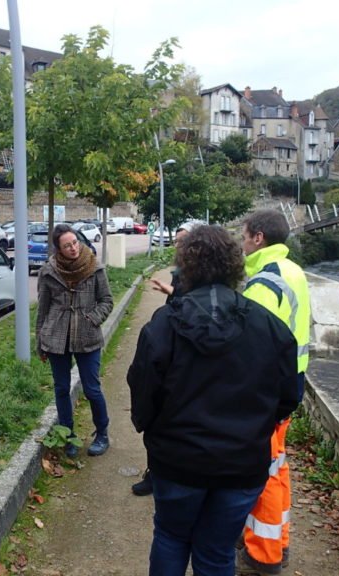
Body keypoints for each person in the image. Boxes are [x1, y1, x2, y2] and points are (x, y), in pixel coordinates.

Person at [127, 225, 299, 576]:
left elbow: (143, 391)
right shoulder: (268, 325)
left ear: (187, 265)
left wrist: (153, 431)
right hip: (242, 463)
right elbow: (288, 396)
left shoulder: (165, 324)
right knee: (216, 550)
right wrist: (253, 428)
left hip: (178, 460)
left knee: (172, 537)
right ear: (235, 264)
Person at [237, 209, 311, 575]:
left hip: (268, 388)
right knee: (277, 463)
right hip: (291, 382)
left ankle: (263, 554)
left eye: (244, 235)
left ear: (259, 238)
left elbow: (253, 346)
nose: (242, 241)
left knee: (262, 468)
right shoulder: (293, 271)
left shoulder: (265, 282)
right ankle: (279, 538)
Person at [36, 224, 113, 457]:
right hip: (56, 337)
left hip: (87, 336)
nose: (73, 248)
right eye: (67, 245)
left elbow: (107, 300)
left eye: (75, 243)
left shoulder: (95, 267)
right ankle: (68, 436)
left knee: (92, 389)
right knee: (61, 389)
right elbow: (43, 308)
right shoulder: (48, 271)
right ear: (58, 249)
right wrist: (39, 341)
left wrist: (92, 319)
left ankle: (102, 434)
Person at [133, 222, 195, 496]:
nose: (177, 245)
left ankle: (168, 475)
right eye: (177, 241)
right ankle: (156, 473)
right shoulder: (181, 273)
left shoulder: (198, 274)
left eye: (183, 241)